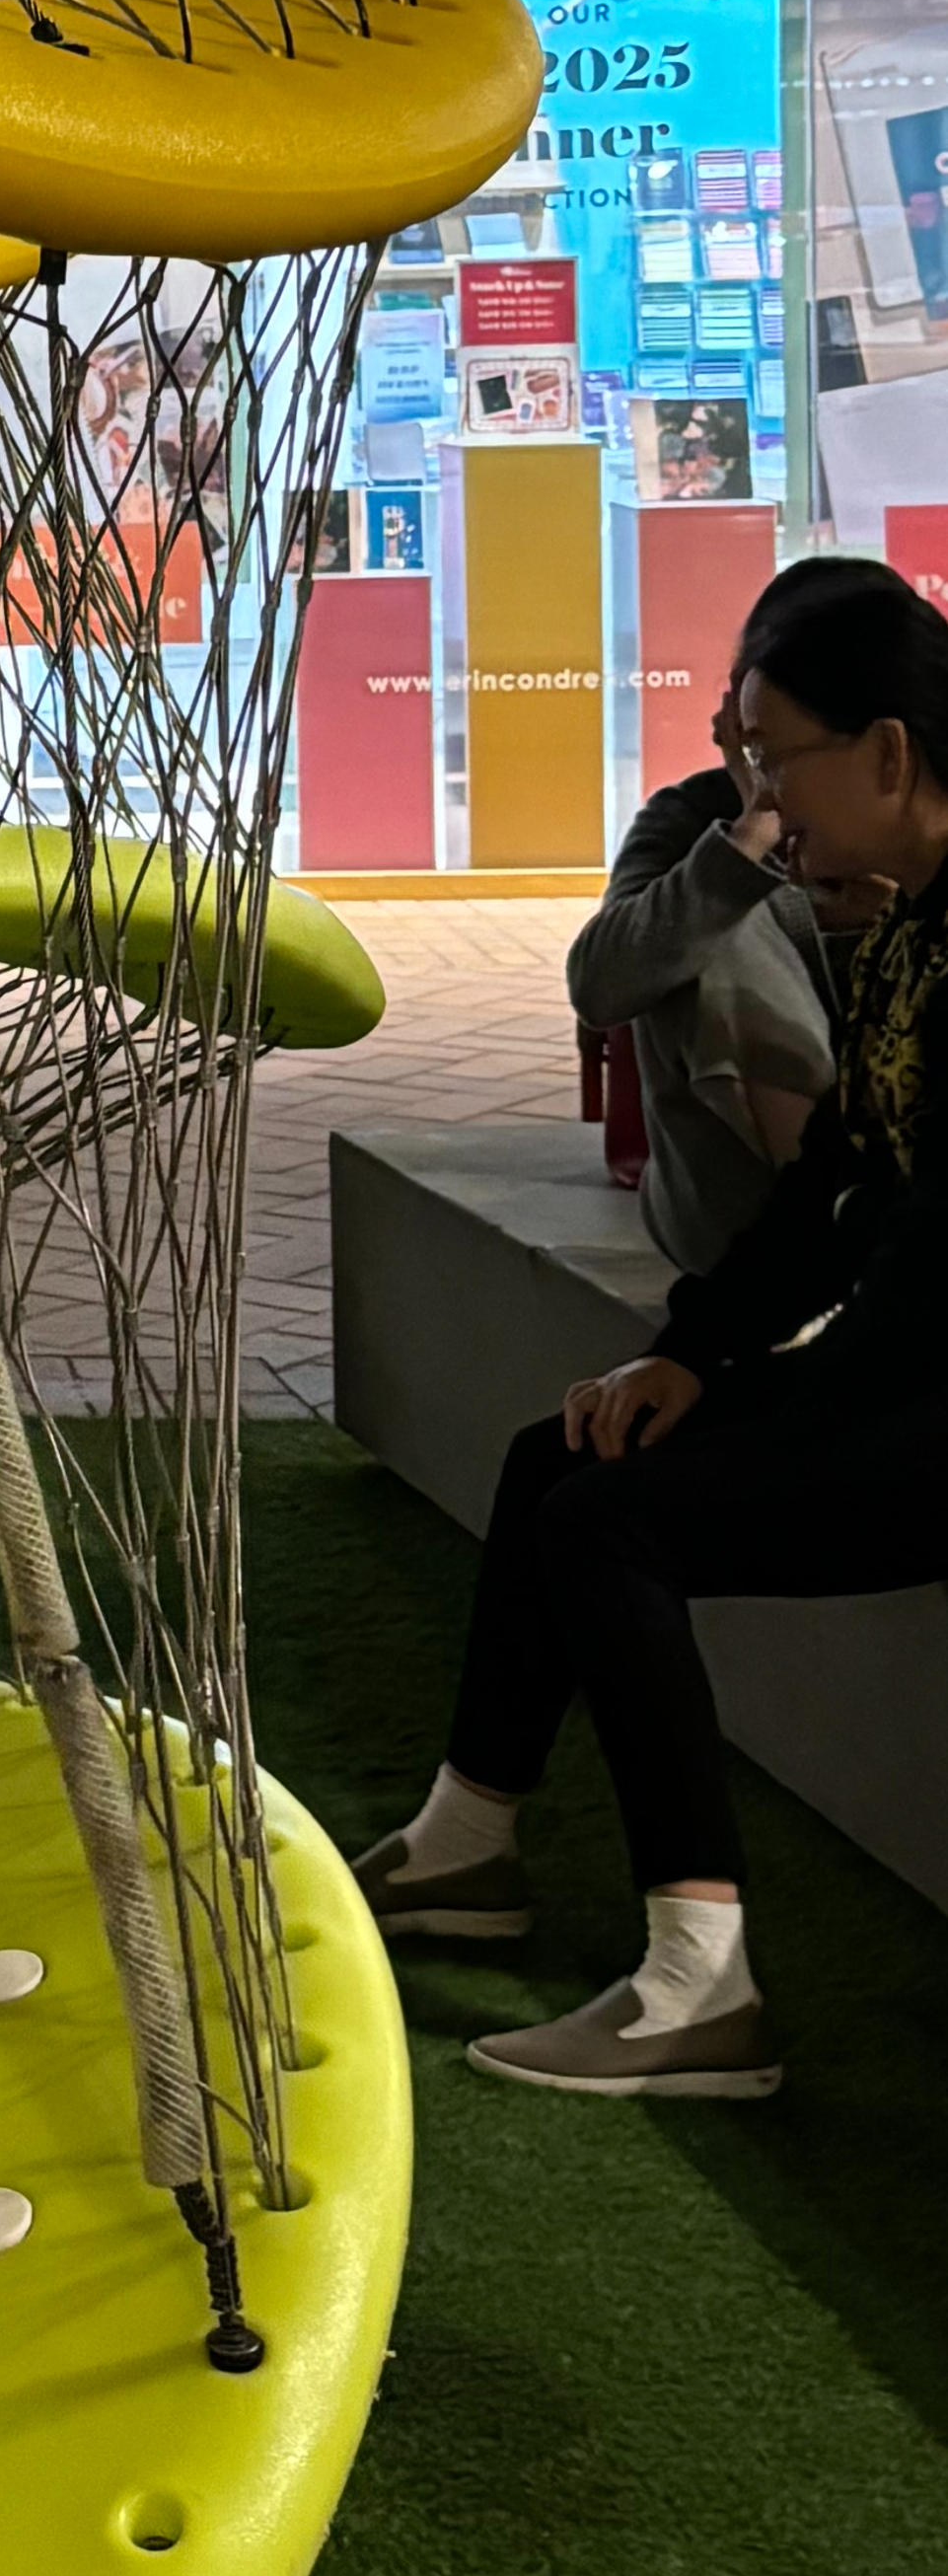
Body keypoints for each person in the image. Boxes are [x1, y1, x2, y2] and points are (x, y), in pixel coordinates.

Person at [354, 576, 948, 2101]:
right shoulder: (898, 926)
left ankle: (698, 1984)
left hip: (933, 1400)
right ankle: (464, 1845)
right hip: (899, 1363)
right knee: (556, 1453)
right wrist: (691, 1355)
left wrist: (772, 1395)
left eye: (770, 754)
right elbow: (835, 1182)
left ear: (885, 752)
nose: (749, 792)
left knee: (609, 1522)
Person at [565, 555, 898, 1272]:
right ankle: (848, 1228)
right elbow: (599, 985)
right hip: (734, 1209)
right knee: (720, 934)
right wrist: (753, 836)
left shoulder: (919, 814)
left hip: (904, 1169)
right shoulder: (695, 819)